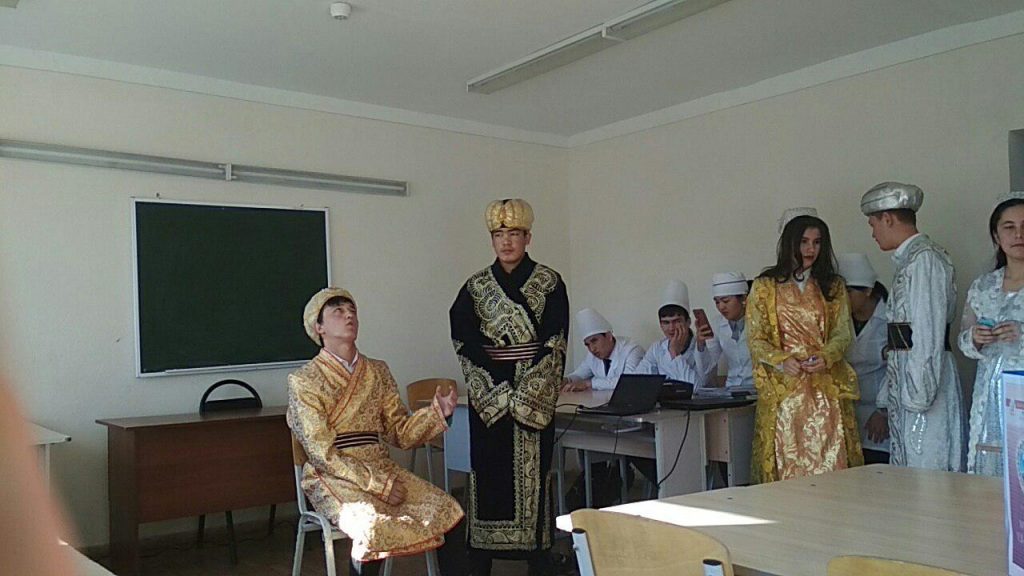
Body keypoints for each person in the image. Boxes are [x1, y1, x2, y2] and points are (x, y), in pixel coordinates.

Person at [288, 288, 465, 576]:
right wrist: (377, 485)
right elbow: (321, 453)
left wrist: (436, 414)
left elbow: (399, 433)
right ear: (318, 327)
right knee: (372, 526)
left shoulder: (377, 371)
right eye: (338, 311)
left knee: (448, 511)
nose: (349, 316)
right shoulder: (303, 380)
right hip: (333, 475)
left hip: (381, 467)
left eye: (352, 311)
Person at [449, 198, 569, 576]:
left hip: (532, 397)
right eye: (499, 235)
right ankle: (481, 558)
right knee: (488, 476)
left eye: (514, 234)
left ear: (528, 237)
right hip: (490, 400)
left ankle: (537, 558)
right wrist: (498, 391)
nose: (506, 241)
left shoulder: (549, 282)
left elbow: (555, 342)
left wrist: (525, 395)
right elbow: (464, 341)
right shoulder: (476, 287)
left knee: (534, 481)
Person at [746, 207, 863, 483]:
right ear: (790, 243)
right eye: (804, 242)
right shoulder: (765, 286)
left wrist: (827, 355)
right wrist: (781, 360)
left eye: (817, 242)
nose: (811, 249)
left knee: (831, 460)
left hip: (824, 388)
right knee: (786, 463)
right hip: (784, 389)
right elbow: (756, 337)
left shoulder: (832, 286)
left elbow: (842, 333)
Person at [861, 182, 964, 471]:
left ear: (888, 219)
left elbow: (927, 330)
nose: (873, 233)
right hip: (907, 379)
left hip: (924, 384)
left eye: (873, 224)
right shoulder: (910, 260)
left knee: (927, 464)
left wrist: (918, 394)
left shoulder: (924, 260)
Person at [959, 193, 1024, 476]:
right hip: (990, 393)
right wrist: (975, 337)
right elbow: (963, 340)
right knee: (990, 467)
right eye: (1009, 227)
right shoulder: (983, 286)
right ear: (997, 236)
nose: (1018, 234)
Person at [837, 253, 891, 464]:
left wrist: (883, 411)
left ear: (868, 291)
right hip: (850, 412)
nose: (843, 299)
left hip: (881, 412)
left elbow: (898, 367)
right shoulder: (840, 322)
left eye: (849, 292)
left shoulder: (890, 317)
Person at [638, 280, 709, 388]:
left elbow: (696, 388)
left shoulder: (701, 347)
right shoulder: (657, 348)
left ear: (688, 322)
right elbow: (637, 381)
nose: (671, 328)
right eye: (666, 323)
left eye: (677, 321)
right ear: (661, 325)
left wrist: (675, 353)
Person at [562, 308, 644, 392]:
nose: (592, 349)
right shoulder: (593, 355)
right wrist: (566, 380)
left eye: (594, 341)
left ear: (609, 336)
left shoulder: (633, 351)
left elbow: (628, 382)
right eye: (587, 345)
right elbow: (580, 374)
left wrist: (589, 383)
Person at [695, 272, 754, 389]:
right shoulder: (717, 324)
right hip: (732, 388)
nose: (721, 307)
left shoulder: (760, 322)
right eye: (717, 302)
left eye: (726, 301)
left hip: (760, 388)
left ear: (743, 299)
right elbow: (708, 368)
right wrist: (701, 345)